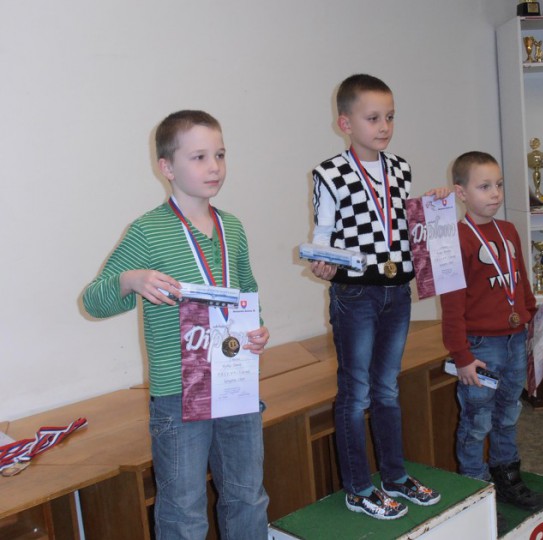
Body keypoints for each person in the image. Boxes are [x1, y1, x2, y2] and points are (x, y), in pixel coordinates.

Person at [83, 110, 269, 539]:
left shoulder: (232, 227)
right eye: (199, 157)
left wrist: (257, 329)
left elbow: (246, 290)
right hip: (179, 393)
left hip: (235, 382)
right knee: (183, 509)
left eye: (220, 155)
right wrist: (130, 280)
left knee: (248, 496)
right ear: (166, 167)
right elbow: (93, 300)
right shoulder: (148, 231)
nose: (214, 166)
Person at [309, 74, 445, 520]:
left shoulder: (400, 168)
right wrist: (322, 260)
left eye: (390, 117)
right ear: (345, 123)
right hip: (356, 294)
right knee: (356, 393)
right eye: (373, 118)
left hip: (396, 291)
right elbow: (322, 234)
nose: (384, 126)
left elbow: (405, 225)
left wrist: (435, 205)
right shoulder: (329, 173)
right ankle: (357, 488)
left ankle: (394, 477)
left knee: (387, 388)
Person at [440, 151, 543, 517]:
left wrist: (533, 322)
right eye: (484, 186)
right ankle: (475, 491)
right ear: (461, 193)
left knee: (508, 413)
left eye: (499, 185)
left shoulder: (508, 231)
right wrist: (462, 357)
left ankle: (507, 477)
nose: (495, 194)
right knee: (477, 421)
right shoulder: (455, 239)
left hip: (515, 340)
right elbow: (451, 307)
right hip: (480, 348)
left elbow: (521, 283)